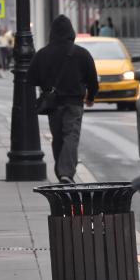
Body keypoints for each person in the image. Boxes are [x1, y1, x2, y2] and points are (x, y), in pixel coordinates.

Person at [28, 14, 98, 184]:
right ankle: (65, 173)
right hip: (74, 103)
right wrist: (91, 97)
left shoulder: (42, 54)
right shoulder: (82, 53)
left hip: (53, 104)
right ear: (71, 32)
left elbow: (31, 79)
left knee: (58, 137)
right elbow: (92, 79)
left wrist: (46, 85)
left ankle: (62, 173)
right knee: (71, 136)